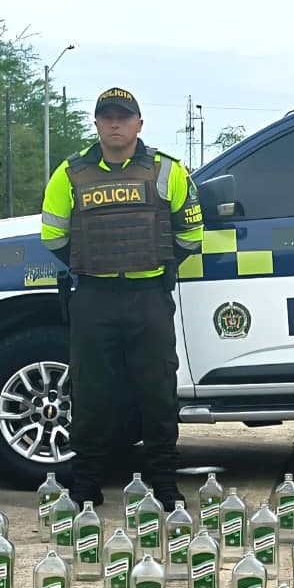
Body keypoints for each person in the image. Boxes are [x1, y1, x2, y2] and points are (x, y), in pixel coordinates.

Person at [41, 87, 204, 507]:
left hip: (148, 296)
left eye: (123, 117)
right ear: (96, 123)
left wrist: (155, 271)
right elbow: (53, 236)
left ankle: (165, 484)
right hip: (94, 297)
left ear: (139, 124)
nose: (115, 124)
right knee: (91, 394)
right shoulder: (69, 174)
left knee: (158, 393)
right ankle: (85, 484)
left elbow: (190, 234)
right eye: (107, 117)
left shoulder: (168, 171)